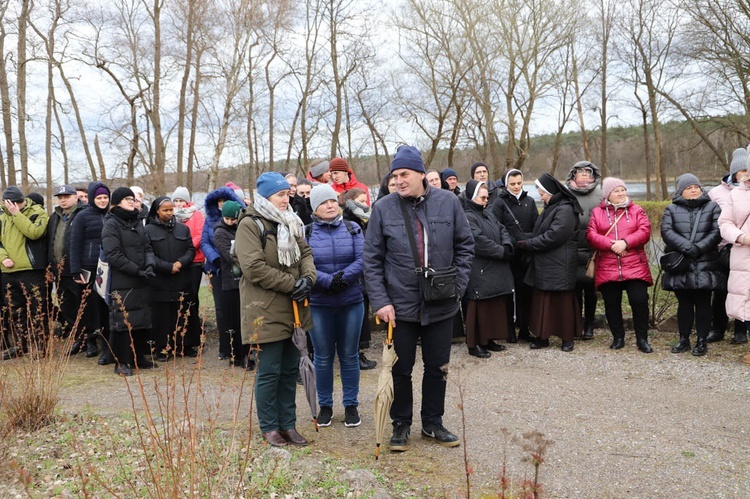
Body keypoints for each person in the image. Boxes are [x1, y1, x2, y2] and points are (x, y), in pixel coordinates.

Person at [364, 145, 474, 451]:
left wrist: (458, 287)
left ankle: (433, 423)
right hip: (399, 306)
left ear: (421, 175)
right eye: (395, 175)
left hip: (441, 302)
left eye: (405, 174)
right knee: (401, 369)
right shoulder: (384, 208)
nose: (398, 180)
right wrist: (381, 301)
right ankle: (401, 425)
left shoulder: (448, 202)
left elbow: (465, 246)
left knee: (438, 367)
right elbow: (371, 259)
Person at [235, 172, 316, 447]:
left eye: (286, 194)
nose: (286, 198)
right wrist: (293, 283)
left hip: (294, 307)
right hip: (265, 308)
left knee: (290, 368)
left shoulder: (291, 220)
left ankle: (288, 425)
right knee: (270, 370)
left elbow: (305, 253)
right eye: (280, 194)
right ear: (266, 196)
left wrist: (308, 279)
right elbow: (253, 268)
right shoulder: (250, 224)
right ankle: (269, 426)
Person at [306, 184, 365, 428]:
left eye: (332, 200)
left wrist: (343, 278)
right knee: (322, 357)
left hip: (351, 301)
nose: (330, 205)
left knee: (350, 355)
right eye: (323, 203)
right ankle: (326, 405)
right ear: (314, 208)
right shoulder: (306, 232)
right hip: (319, 303)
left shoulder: (353, 228)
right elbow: (303, 263)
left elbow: (363, 258)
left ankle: (351, 405)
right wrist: (327, 281)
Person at [586, 178, 653, 353]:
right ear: (608, 194)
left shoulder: (637, 210)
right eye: (617, 191)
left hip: (634, 265)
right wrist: (612, 245)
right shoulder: (597, 213)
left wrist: (625, 242)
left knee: (639, 301)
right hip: (608, 265)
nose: (621, 193)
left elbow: (645, 231)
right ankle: (618, 337)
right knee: (611, 303)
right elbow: (591, 235)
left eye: (623, 190)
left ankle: (642, 339)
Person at [661, 174, 724, 356]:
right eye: (689, 188)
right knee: (684, 304)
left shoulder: (712, 207)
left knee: (704, 303)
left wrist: (699, 248)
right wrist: (688, 247)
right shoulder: (671, 209)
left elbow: (716, 231)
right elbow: (666, 231)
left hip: (706, 262)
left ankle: (702, 341)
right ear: (681, 191)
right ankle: (684, 339)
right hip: (682, 263)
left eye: (696, 187)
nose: (694, 190)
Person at [517, 173, 582, 352]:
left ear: (551, 192)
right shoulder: (550, 207)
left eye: (542, 193)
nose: (540, 196)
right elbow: (540, 231)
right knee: (542, 302)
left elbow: (554, 236)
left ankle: (567, 338)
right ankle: (542, 336)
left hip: (560, 265)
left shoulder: (565, 209)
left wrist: (528, 244)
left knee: (562, 303)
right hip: (545, 264)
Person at [101, 187, 156, 376]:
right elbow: (113, 254)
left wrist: (149, 266)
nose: (132, 202)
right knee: (122, 321)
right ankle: (121, 361)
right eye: (127, 199)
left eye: (133, 199)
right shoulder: (111, 224)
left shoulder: (137, 222)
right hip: (123, 278)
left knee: (142, 318)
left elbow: (147, 246)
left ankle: (138, 357)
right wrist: (136, 270)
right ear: (116, 203)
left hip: (142, 277)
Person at [462, 180, 514, 358]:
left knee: (493, 304)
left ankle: (489, 338)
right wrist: (501, 251)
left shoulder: (488, 214)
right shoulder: (467, 217)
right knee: (479, 306)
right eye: (482, 197)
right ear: (472, 197)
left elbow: (503, 229)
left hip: (494, 267)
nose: (485, 200)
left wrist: (507, 245)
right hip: (480, 269)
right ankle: (475, 343)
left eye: (487, 197)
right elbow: (478, 241)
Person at [0, 186, 49, 360]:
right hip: (8, 271)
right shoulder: (1, 216)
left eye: (18, 203)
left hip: (30, 269)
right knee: (15, 311)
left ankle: (41, 346)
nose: (14, 206)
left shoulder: (37, 212)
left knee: (37, 308)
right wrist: (3, 257)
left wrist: (17, 215)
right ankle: (21, 346)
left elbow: (34, 233)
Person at [145, 196, 197, 360]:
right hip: (160, 280)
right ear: (157, 211)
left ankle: (184, 345)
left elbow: (190, 250)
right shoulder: (148, 231)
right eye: (165, 210)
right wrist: (168, 267)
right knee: (162, 316)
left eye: (171, 210)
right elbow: (148, 254)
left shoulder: (182, 229)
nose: (169, 213)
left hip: (181, 278)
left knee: (183, 312)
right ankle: (162, 347)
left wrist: (180, 263)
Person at [707, 148, 748, 345]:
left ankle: (740, 331)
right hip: (723, 249)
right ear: (734, 172)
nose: (745, 173)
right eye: (742, 170)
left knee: (743, 291)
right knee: (722, 291)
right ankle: (718, 328)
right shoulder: (716, 193)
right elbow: (711, 221)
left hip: (744, 250)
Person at [200, 185, 246, 360]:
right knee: (222, 310)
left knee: (237, 308)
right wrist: (217, 259)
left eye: (225, 201)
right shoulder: (210, 221)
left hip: (237, 269)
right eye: (219, 201)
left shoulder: (241, 220)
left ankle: (239, 348)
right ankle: (225, 347)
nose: (221, 204)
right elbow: (204, 242)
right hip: (218, 267)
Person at [69, 182, 112, 365]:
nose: (102, 201)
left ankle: (108, 343)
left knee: (105, 306)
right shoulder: (83, 216)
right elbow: (75, 244)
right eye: (99, 198)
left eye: (105, 198)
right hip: (89, 267)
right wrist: (75, 270)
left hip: (108, 266)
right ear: (93, 199)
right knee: (89, 306)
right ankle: (91, 341)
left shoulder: (111, 215)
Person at [565, 161, 603, 340]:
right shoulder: (566, 194)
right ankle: (576, 324)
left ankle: (589, 325)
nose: (584, 175)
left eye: (588, 172)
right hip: (572, 248)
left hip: (593, 251)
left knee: (590, 291)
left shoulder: (600, 194)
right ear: (573, 175)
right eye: (580, 173)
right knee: (574, 290)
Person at [718, 161, 750, 365]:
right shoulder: (736, 194)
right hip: (744, 254)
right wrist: (741, 237)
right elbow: (725, 223)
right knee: (746, 299)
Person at [213, 200, 252, 369]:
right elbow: (228, 255)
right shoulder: (219, 232)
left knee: (246, 319)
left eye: (233, 219)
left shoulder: (242, 228)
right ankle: (235, 355)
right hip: (230, 281)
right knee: (233, 321)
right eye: (227, 219)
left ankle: (247, 353)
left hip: (245, 279)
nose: (230, 222)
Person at [47, 185, 86, 352]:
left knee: (81, 305)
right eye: (60, 197)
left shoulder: (83, 214)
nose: (63, 199)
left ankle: (86, 339)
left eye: (67, 196)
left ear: (75, 197)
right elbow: (50, 242)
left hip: (77, 269)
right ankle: (76, 336)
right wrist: (49, 267)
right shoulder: (55, 217)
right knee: (66, 305)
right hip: (59, 271)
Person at [172, 186, 205, 353]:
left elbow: (200, 234)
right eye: (176, 201)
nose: (178, 204)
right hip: (178, 261)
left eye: (181, 201)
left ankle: (195, 330)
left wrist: (187, 248)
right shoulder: (171, 215)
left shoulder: (196, 214)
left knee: (192, 296)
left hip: (194, 260)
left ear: (187, 201)